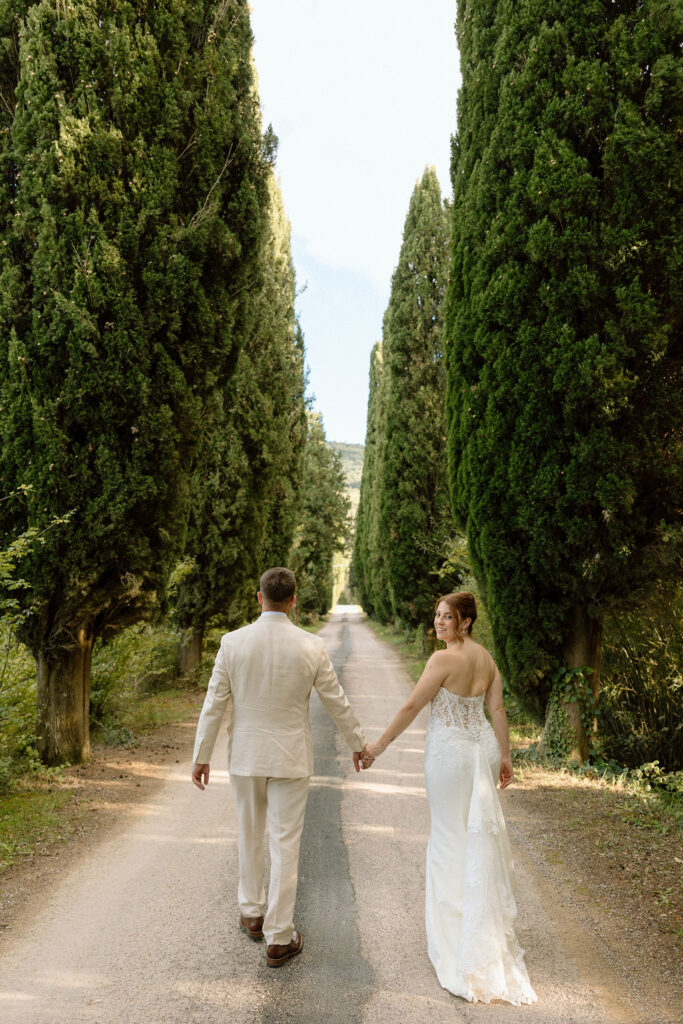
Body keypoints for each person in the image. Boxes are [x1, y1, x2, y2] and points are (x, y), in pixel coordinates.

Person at [362, 592, 537, 1005]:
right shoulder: (488, 659)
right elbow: (496, 711)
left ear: (466, 622)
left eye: (448, 617)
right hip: (482, 750)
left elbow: (411, 705)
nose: (439, 622)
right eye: (437, 615)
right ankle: (479, 928)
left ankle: (455, 937)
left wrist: (379, 746)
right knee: (475, 837)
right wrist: (506, 755)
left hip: (452, 756)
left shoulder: (443, 661)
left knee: (447, 837)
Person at [191, 567, 369, 968]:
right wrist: (358, 743)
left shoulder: (233, 643)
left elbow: (214, 703)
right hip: (290, 758)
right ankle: (278, 936)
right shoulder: (311, 646)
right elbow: (335, 700)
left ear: (259, 598)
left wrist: (202, 755)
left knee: (249, 833)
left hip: (247, 758)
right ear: (293, 600)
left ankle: (252, 913)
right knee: (285, 845)